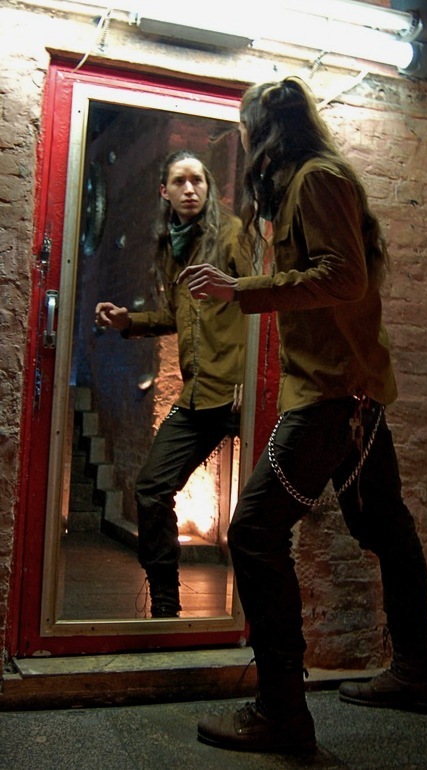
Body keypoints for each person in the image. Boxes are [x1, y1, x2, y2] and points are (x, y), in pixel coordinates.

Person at [178, 77, 427, 753]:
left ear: (264, 131)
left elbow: (343, 276)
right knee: (385, 528)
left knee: (253, 531)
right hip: (349, 392)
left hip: (333, 397)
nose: (244, 142)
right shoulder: (306, 181)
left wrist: (241, 289)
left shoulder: (316, 180)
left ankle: (281, 713)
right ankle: (416, 674)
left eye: (246, 129)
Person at [94, 150, 250, 618]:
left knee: (258, 519)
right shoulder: (172, 248)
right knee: (150, 488)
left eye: (197, 180)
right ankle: (165, 600)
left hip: (238, 391)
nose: (190, 189)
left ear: (209, 187)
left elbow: (264, 299)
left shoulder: (232, 235)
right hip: (199, 394)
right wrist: (129, 321)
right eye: (179, 181)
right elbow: (178, 316)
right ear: (164, 191)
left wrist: (253, 378)